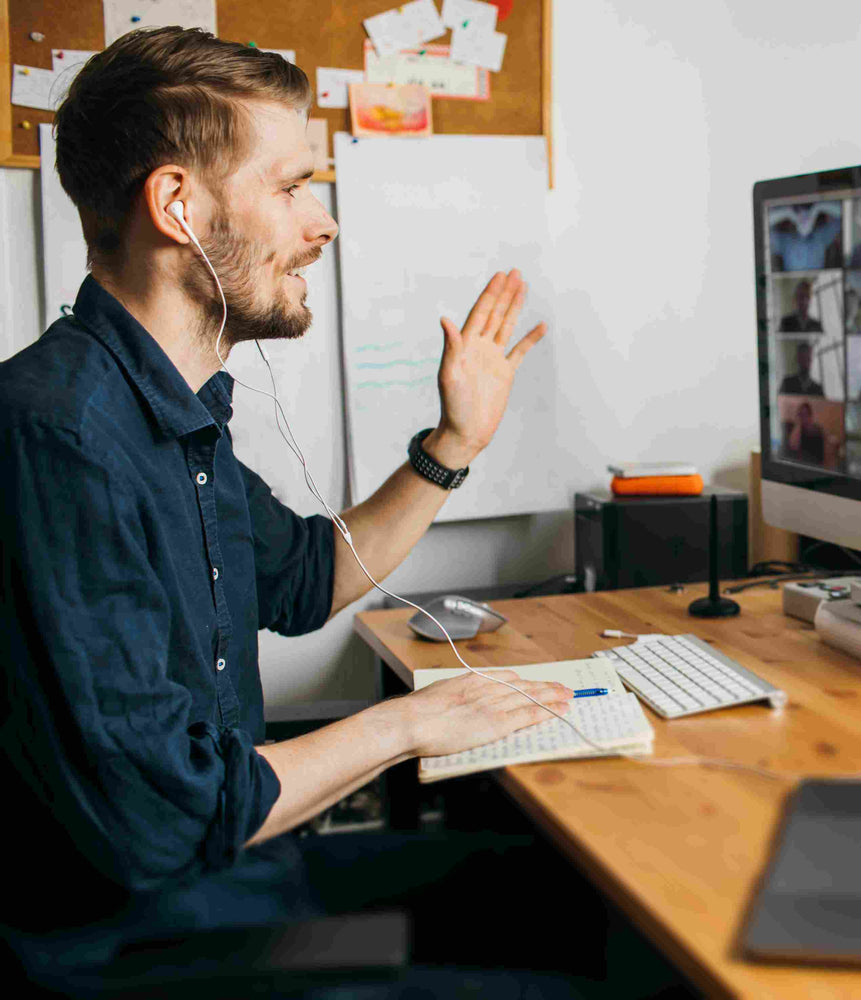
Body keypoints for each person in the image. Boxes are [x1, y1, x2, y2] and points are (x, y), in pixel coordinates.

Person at [0, 29, 603, 995]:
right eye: (289, 188)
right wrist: (408, 726)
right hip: (144, 949)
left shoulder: (165, 410)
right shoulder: (60, 436)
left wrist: (455, 444)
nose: (320, 225)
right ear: (177, 206)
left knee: (573, 902)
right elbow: (168, 819)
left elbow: (308, 580)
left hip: (237, 883)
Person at [769, 201, 842, 271]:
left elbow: (845, 212)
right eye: (800, 214)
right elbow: (761, 222)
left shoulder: (821, 237)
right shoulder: (785, 242)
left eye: (808, 214)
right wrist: (788, 213)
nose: (804, 220)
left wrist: (817, 208)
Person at [787, 401, 826, 465]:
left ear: (810, 416)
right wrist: (798, 424)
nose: (803, 418)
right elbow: (793, 446)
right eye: (800, 415)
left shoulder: (816, 431)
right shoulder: (795, 428)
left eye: (805, 415)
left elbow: (819, 460)